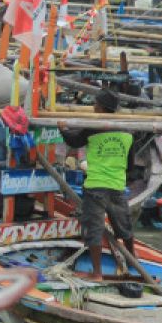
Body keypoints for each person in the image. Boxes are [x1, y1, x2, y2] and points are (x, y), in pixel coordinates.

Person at [60, 89, 133, 280]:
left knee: (94, 229)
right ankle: (134, 261)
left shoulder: (94, 127)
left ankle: (98, 273)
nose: (93, 107)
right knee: (124, 227)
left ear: (101, 107)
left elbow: (74, 141)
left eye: (95, 104)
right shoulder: (127, 131)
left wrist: (62, 129)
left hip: (96, 186)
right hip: (118, 185)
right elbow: (131, 163)